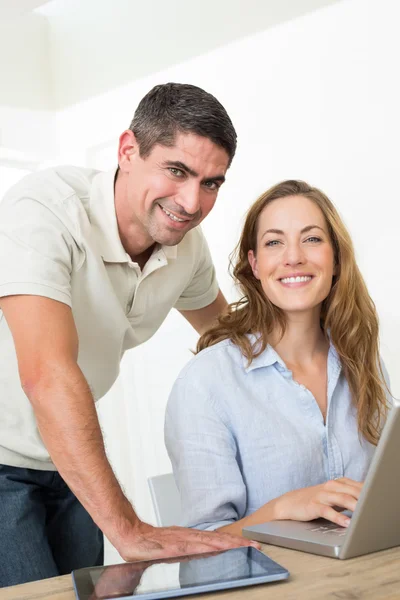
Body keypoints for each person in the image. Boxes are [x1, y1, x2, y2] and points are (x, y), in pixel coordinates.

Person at [0, 83, 257, 588]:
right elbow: (48, 375)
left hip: (67, 465)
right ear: (128, 151)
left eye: (211, 183)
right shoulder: (45, 210)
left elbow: (230, 340)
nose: (191, 201)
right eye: (177, 171)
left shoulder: (186, 245)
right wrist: (129, 528)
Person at [165, 179, 390, 535]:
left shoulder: (363, 362)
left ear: (336, 259)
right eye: (274, 242)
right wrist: (282, 509)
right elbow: (201, 545)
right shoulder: (205, 383)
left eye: (312, 239)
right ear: (254, 264)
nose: (293, 256)